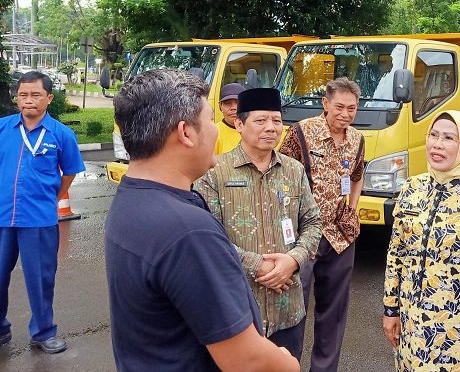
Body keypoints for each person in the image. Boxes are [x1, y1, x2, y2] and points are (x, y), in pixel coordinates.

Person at [104, 69, 299, 372]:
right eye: (210, 119)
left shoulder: (133, 196)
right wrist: (288, 365)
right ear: (185, 133)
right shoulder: (187, 230)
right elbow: (247, 361)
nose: (217, 130)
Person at [195, 87, 323, 361]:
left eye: (276, 121)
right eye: (261, 120)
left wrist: (294, 260)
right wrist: (257, 265)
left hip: (288, 309)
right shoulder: (214, 173)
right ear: (239, 124)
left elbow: (313, 222)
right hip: (236, 313)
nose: (271, 128)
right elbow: (207, 239)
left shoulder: (294, 169)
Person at [382, 110, 460, 372]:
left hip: (458, 332)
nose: (437, 144)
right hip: (411, 324)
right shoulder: (412, 188)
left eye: (449, 138)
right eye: (433, 135)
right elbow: (396, 255)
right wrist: (391, 308)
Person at [279, 77, 365, 372]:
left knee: (334, 312)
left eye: (351, 108)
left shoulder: (357, 139)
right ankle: (287, 367)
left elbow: (356, 176)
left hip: (340, 237)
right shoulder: (301, 132)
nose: (345, 114)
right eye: (339, 106)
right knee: (293, 310)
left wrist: (352, 210)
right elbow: (281, 175)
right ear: (325, 103)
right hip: (304, 237)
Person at [0, 71, 85, 354]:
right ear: (16, 98)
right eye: (23, 95)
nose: (28, 101)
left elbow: (70, 172)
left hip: (38, 219)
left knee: (39, 278)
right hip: (2, 217)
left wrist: (52, 197)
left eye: (36, 95)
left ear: (49, 98)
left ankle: (43, 332)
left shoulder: (62, 134)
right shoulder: (3, 128)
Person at [215, 82, 246, 154]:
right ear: (220, 106)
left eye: (238, 103)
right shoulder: (214, 133)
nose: (233, 108)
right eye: (227, 103)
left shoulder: (254, 131)